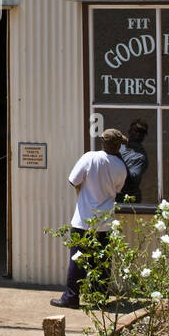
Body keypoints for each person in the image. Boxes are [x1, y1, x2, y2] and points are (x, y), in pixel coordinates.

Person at [51, 129, 128, 309]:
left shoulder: (89, 158)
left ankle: (71, 297)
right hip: (105, 222)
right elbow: (117, 190)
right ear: (117, 146)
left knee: (77, 260)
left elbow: (73, 180)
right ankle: (99, 298)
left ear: (103, 142)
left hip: (83, 220)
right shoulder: (120, 167)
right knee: (102, 261)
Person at [115, 119, 150, 204]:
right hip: (113, 193)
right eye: (130, 129)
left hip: (126, 198)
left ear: (139, 134)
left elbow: (132, 180)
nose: (129, 132)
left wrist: (118, 157)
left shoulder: (140, 157)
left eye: (132, 130)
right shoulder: (121, 147)